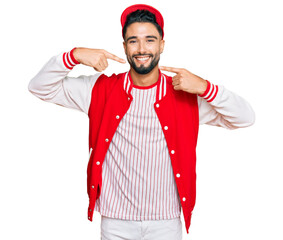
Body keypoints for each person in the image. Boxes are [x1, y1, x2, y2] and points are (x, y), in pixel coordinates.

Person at [28, 3, 255, 240]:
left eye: (149, 40)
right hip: (115, 222)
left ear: (161, 45)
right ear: (125, 46)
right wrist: (73, 56)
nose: (141, 48)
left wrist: (206, 88)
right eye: (133, 40)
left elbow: (245, 118)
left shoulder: (186, 94)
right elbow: (39, 87)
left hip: (165, 223)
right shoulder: (99, 89)